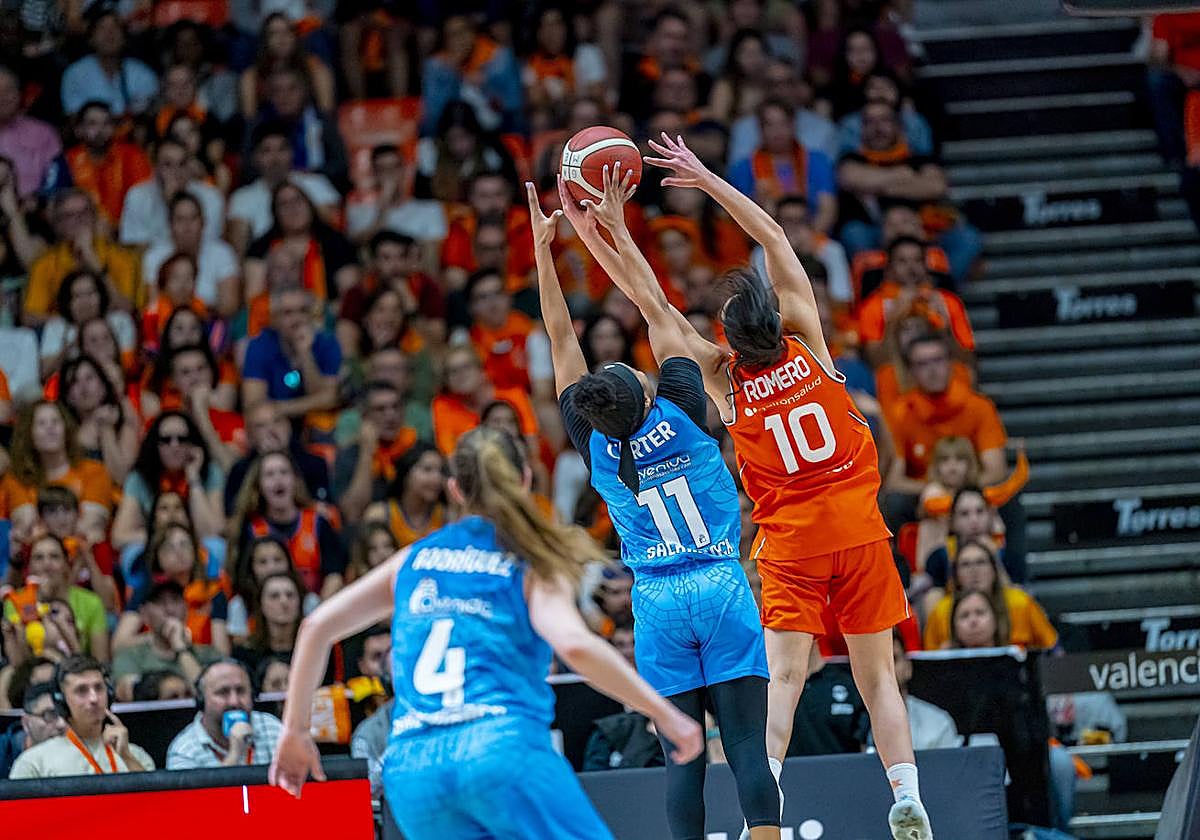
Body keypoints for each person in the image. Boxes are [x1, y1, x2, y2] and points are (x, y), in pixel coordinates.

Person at [596, 136, 932, 838]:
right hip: (861, 530)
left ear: (729, 339)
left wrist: (607, 228)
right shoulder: (809, 340)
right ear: (776, 322)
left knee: (782, 680)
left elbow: (653, 305)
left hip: (792, 542)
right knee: (878, 681)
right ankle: (907, 794)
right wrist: (705, 177)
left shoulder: (724, 381)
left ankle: (766, 813)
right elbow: (774, 233)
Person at [268, 427, 703, 839]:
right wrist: (662, 711)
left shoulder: (413, 560)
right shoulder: (529, 560)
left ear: (454, 489)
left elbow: (316, 627)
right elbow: (573, 644)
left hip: (413, 768)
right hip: (499, 746)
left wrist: (295, 731)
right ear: (527, 478)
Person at [535, 180, 779, 840]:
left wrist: (542, 254)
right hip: (722, 583)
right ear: (643, 394)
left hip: (658, 602)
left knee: (685, 760)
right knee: (750, 753)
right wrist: (616, 229)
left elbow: (561, 341)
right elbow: (655, 307)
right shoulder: (681, 406)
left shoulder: (598, 449)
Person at [8, 655, 153, 777]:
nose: (94, 698)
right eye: (82, 690)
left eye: (99, 688)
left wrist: (126, 757)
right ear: (62, 701)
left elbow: (157, 806)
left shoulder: (135, 755)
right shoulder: (34, 762)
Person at [229, 451, 345, 599]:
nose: (278, 479)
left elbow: (334, 575)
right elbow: (243, 582)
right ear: (258, 486)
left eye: (284, 472)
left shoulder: (318, 522)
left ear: (295, 480)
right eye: (270, 474)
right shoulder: (250, 529)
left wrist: (316, 613)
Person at [23, 189, 141, 327]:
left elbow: (127, 310)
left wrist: (94, 262)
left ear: (94, 218)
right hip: (65, 333)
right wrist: (74, 323)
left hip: (112, 331)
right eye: (69, 216)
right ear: (57, 224)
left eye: (84, 213)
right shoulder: (44, 264)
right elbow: (29, 317)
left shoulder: (124, 259)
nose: (78, 221)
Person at [111, 411, 225, 551]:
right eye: (166, 440)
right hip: (156, 551)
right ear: (155, 445)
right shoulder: (139, 478)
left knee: (217, 546)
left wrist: (194, 479)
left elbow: (213, 531)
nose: (174, 446)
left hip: (196, 550)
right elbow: (119, 536)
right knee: (132, 551)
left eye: (182, 439)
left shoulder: (210, 472)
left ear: (192, 443)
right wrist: (165, 537)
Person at [227, 120, 341, 255]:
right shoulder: (242, 198)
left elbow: (335, 230)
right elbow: (238, 251)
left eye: (282, 149)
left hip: (318, 261)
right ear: (255, 158)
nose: (275, 158)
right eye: (266, 151)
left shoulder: (317, 184)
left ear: (292, 153)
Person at [923, 539, 1056, 652]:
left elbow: (1053, 648)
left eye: (981, 562)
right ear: (955, 575)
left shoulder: (1021, 602)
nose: (974, 571)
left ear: (994, 569)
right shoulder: (941, 610)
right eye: (965, 564)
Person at [110, 580, 220, 701]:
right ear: (144, 614)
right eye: (160, 602)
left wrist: (180, 648)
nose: (170, 609)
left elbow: (211, 694)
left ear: (186, 609)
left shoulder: (208, 654)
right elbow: (129, 694)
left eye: (175, 600)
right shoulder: (130, 656)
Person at [167, 659, 283, 769]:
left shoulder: (271, 728)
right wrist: (234, 755)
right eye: (223, 692)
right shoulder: (183, 750)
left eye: (241, 691)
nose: (234, 701)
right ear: (201, 699)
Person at [224, 402, 330, 515]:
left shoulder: (315, 464)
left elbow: (324, 507)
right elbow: (234, 515)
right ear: (250, 436)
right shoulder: (240, 471)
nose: (272, 430)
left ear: (288, 426)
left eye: (277, 421)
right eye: (261, 426)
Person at [120, 137, 225, 249]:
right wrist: (169, 205)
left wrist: (174, 203)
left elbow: (205, 248)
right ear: (155, 167)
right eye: (168, 164)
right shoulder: (137, 196)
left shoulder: (212, 197)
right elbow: (134, 248)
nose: (176, 172)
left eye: (182, 164)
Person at [59, 9, 158, 117]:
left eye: (115, 28)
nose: (109, 33)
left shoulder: (143, 73)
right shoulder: (75, 74)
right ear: (91, 39)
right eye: (102, 28)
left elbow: (150, 114)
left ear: (124, 37)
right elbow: (74, 117)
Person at [362, 441, 447, 548]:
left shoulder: (446, 517)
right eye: (427, 469)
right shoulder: (379, 515)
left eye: (441, 471)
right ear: (406, 474)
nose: (437, 478)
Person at [891, 634, 959, 751]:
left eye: (894, 659)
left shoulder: (939, 723)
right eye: (877, 663)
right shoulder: (852, 723)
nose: (887, 668)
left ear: (908, 667)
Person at [1, 682, 67, 778]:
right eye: (49, 715)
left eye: (66, 714)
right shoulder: (3, 752)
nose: (62, 724)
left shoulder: (78, 749)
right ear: (26, 722)